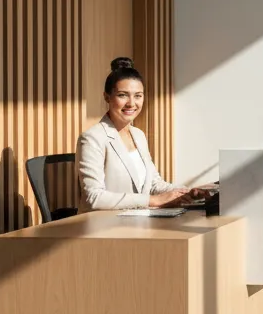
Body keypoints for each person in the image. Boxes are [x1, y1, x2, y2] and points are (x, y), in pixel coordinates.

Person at [77, 57, 199, 212]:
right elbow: (93, 197)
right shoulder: (92, 138)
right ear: (107, 97)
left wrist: (187, 193)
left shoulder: (138, 135)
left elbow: (154, 184)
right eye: (122, 95)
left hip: (138, 220)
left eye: (138, 95)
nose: (131, 103)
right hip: (104, 226)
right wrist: (153, 201)